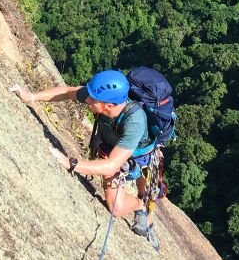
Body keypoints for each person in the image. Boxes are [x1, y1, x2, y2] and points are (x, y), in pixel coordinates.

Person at [12, 69, 160, 250]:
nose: (87, 100)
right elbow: (68, 92)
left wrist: (71, 163)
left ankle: (146, 216)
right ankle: (139, 207)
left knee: (144, 191)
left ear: (110, 105)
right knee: (117, 208)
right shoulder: (100, 98)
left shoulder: (135, 121)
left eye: (93, 99)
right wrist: (31, 97)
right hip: (112, 150)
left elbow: (112, 165)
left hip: (139, 157)